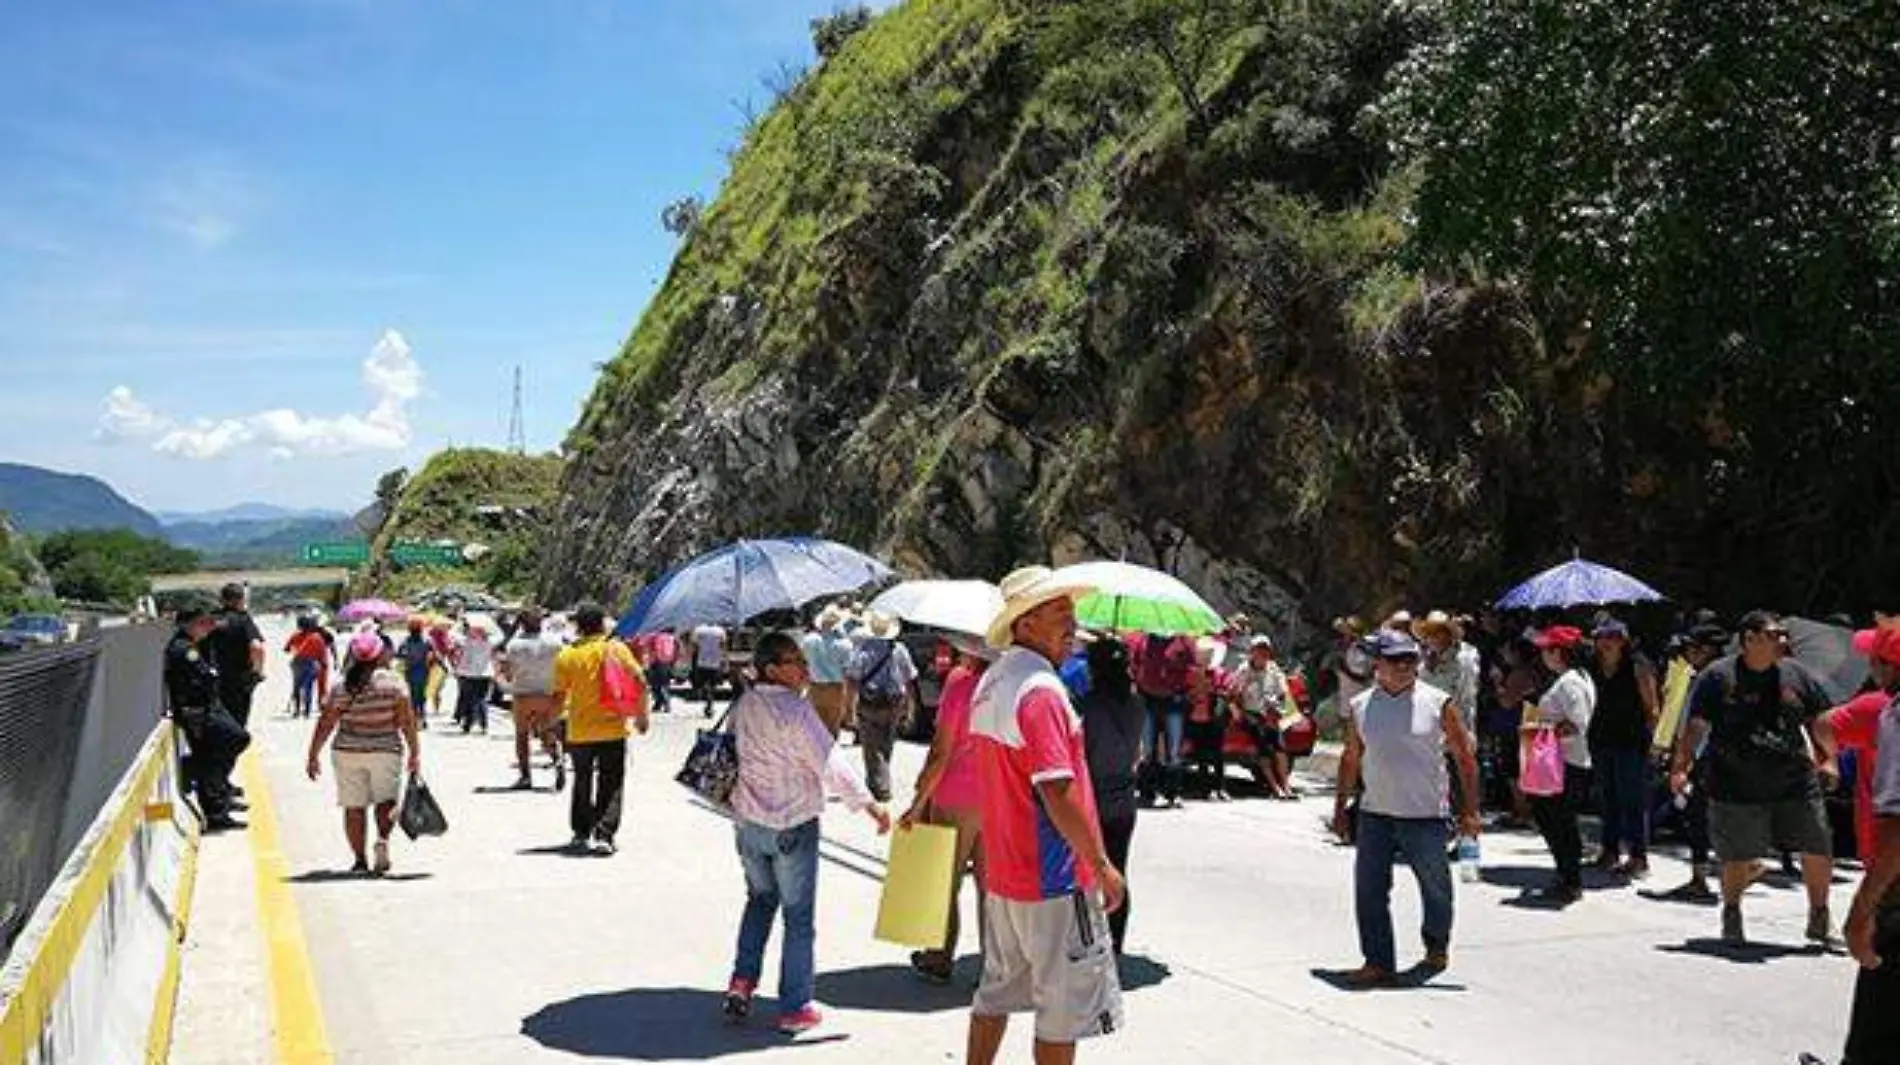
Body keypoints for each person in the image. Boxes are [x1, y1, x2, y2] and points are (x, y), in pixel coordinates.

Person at [967, 566, 1125, 1065]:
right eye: (1060, 612)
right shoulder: (1041, 691)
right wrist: (1099, 863)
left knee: (995, 991)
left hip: (1005, 871)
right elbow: (1057, 792)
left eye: (1071, 613)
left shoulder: (992, 681)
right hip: (1054, 876)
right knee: (1062, 1008)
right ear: (1025, 624)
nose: (1072, 625)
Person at [723, 631, 890, 1035]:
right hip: (792, 825)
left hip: (749, 824)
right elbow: (830, 762)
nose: (804, 667)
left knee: (759, 901)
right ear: (772, 668)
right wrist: (870, 804)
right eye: (795, 660)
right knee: (798, 919)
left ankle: (741, 983)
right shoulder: (796, 712)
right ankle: (795, 1005)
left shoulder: (743, 705)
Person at [1670, 610, 1837, 946]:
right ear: (1750, 639)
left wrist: (1829, 758)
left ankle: (1819, 916)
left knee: (1818, 844)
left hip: (1794, 778)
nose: (1783, 641)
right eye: (1775, 635)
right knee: (1736, 855)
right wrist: (1680, 767)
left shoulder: (1797, 675)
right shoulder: (1718, 677)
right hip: (1735, 781)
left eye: (1782, 634)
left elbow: (1819, 720)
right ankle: (1732, 913)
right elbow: (1696, 728)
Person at [1331, 629, 1481, 987]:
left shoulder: (1438, 703)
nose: (1404, 667)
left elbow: (1465, 758)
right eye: (1396, 660)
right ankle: (1378, 961)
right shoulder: (1361, 706)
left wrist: (1470, 812)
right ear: (1378, 665)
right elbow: (1351, 758)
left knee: (1436, 889)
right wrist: (1340, 807)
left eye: (1410, 660)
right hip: (1375, 813)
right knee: (1369, 890)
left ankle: (1436, 945)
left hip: (1425, 815)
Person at [899, 636, 993, 982]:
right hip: (999, 799)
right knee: (992, 887)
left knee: (944, 881)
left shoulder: (960, 682)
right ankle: (995, 965)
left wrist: (917, 803)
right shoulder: (1010, 686)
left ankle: (940, 956)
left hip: (956, 796)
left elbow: (941, 752)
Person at [304, 632, 421, 876]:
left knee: (353, 807)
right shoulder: (394, 684)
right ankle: (382, 840)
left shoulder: (341, 686)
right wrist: (414, 752)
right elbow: (407, 722)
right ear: (380, 654)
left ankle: (359, 860)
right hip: (385, 751)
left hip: (347, 751)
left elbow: (326, 723)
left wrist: (313, 754)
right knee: (385, 801)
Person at [1839, 628, 1900, 1063]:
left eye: (1876, 659)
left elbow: (1899, 828)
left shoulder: (1895, 717)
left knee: (1876, 1037)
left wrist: (1864, 907)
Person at [553, 604, 649, 855]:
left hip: (580, 730)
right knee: (612, 782)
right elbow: (640, 680)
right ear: (603, 624)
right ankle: (605, 835)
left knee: (582, 781)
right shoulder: (616, 649)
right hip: (613, 728)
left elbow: (559, 694)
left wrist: (551, 722)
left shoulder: (567, 655)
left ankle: (580, 833)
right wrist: (642, 716)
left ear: (577, 626)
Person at [1651, 623, 1729, 903]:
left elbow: (1699, 725)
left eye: (1692, 648)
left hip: (1709, 757)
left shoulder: (1714, 679)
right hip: (1706, 756)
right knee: (1700, 815)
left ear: (1706, 650)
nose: (1687, 653)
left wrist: (1683, 760)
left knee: (1701, 815)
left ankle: (1713, 873)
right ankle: (1703, 876)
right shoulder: (1706, 675)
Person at [1077, 635, 1145, 955]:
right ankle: (1115, 943)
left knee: (1087, 873)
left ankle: (1088, 939)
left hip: (1093, 799)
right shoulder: (1136, 704)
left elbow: (1083, 755)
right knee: (1118, 868)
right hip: (1123, 799)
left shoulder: (1086, 706)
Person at [1522, 626, 1598, 904]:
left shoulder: (1571, 683)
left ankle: (1570, 877)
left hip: (1565, 762)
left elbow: (1577, 724)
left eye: (1546, 649)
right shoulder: (1574, 678)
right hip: (1565, 761)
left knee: (1558, 821)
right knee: (1554, 818)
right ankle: (1566, 873)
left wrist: (1543, 729)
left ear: (1558, 652)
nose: (1542, 655)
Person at [1816, 627, 1900, 868]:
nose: (1869, 666)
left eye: (1873, 659)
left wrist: (1830, 761)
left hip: (1884, 843)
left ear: (1890, 667)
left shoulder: (1875, 708)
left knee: (1873, 905)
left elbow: (1823, 724)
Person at [1586, 618, 1660, 878]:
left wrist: (1655, 743)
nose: (1606, 642)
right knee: (1607, 797)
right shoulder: (1591, 666)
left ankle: (1639, 856)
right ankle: (1609, 851)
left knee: (1633, 799)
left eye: (1613, 637)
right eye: (1601, 637)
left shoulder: (1638, 666)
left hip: (1632, 741)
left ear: (1623, 641)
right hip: (1601, 738)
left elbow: (1652, 708)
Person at [165, 608, 250, 831]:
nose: (206, 627)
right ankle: (214, 805)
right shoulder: (183, 649)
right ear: (188, 624)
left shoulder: (192, 645)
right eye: (202, 623)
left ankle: (218, 795)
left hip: (205, 708)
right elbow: (203, 678)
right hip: (197, 712)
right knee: (232, 741)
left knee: (221, 749)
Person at [844, 612, 918, 803]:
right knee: (887, 744)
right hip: (894, 702)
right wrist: (910, 708)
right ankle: (878, 780)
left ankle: (880, 786)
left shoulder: (863, 649)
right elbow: (909, 681)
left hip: (869, 702)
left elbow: (852, 680)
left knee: (871, 746)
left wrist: (849, 710)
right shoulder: (900, 649)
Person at [499, 609, 567, 792]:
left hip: (523, 694)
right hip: (547, 693)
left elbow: (508, 672)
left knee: (522, 735)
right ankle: (556, 758)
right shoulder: (555, 642)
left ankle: (525, 776)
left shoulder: (514, 645)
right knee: (546, 732)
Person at [1228, 636, 1296, 800]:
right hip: (1251, 712)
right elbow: (1233, 692)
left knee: (1280, 747)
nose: (1262, 653)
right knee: (1263, 743)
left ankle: (1286, 785)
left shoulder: (1273, 669)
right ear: (1252, 652)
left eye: (1265, 650)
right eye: (1258, 650)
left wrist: (1279, 705)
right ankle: (1275, 787)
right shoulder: (1244, 669)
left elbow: (1284, 691)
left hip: (1270, 712)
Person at [1132, 630, 1193, 807]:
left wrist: (1177, 679)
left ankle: (1173, 792)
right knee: (1147, 748)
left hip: (1173, 699)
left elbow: (1191, 667)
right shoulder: (1144, 641)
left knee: (1173, 749)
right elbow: (1135, 664)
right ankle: (1146, 792)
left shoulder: (1183, 641)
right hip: (1147, 698)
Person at [207, 582, 265, 729]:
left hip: (213, 681)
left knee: (215, 724)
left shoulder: (210, 620)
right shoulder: (243, 620)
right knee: (236, 726)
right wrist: (258, 672)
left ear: (222, 600)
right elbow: (257, 648)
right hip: (239, 681)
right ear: (240, 600)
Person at [1183, 638, 1230, 800]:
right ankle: (1204, 788)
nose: (1204, 658)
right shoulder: (1189, 673)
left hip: (1214, 718)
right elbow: (1185, 693)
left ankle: (1220, 787)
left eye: (1208, 655)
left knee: (1217, 755)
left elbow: (1226, 692)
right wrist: (1193, 692)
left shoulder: (1219, 673)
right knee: (1201, 755)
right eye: (1202, 655)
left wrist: (1212, 689)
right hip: (1195, 717)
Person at [803, 606, 855, 735]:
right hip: (835, 689)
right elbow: (848, 672)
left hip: (815, 688)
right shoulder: (845, 644)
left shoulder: (808, 640)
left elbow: (803, 664)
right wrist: (850, 705)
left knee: (816, 730)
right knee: (833, 728)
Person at [450, 617, 496, 734]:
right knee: (482, 699)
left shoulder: (466, 642)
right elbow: (500, 636)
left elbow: (452, 633)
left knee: (469, 699)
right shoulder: (490, 642)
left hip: (468, 673)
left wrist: (460, 622)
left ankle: (468, 725)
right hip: (485, 673)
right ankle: (484, 725)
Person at [393, 618, 437, 727]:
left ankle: (414, 718)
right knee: (421, 696)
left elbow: (399, 655)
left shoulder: (406, 642)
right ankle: (421, 718)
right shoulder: (427, 641)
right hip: (422, 671)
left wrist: (406, 656)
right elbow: (434, 655)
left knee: (412, 696)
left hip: (411, 671)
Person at [284, 616, 329, 719]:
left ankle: (296, 711)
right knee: (308, 687)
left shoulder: (295, 636)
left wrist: (295, 649)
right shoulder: (317, 637)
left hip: (297, 663)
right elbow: (322, 653)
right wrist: (323, 664)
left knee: (296, 687)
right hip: (312, 664)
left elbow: (286, 649)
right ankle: (307, 712)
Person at [691, 622, 729, 717]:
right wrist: (724, 659)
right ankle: (709, 705)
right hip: (715, 661)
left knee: (702, 684)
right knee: (712, 686)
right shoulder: (720, 630)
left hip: (702, 661)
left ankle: (708, 702)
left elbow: (694, 645)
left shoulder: (698, 629)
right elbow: (723, 646)